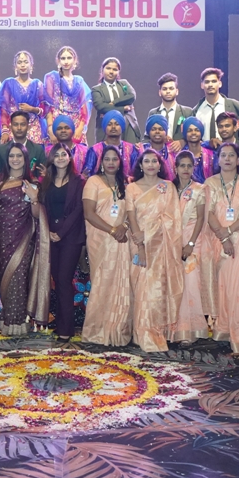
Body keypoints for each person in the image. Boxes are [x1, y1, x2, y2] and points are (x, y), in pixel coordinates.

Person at [0, 143, 50, 335]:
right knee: (4, 277)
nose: (15, 159)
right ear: (7, 159)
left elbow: (36, 214)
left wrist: (34, 198)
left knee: (19, 276)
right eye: (12, 156)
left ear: (25, 159)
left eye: (19, 156)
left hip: (22, 236)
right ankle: (7, 318)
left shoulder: (31, 183)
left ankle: (17, 322)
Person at [205, 142, 239, 352]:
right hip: (218, 240)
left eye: (231, 155)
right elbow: (208, 213)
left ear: (238, 160)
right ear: (217, 160)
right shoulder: (210, 183)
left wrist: (229, 231)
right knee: (223, 284)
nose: (227, 159)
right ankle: (225, 328)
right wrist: (223, 237)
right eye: (223, 155)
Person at [126, 150, 183, 353]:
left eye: (154, 161)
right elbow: (131, 216)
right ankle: (141, 332)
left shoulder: (167, 187)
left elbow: (172, 218)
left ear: (160, 165)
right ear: (140, 165)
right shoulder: (132, 187)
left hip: (161, 245)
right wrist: (140, 243)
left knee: (157, 289)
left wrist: (149, 234)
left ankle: (156, 332)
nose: (150, 164)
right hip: (138, 242)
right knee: (141, 287)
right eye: (146, 161)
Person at [82, 146, 134, 346]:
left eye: (115, 159)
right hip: (100, 239)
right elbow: (89, 213)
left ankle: (118, 330)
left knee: (122, 282)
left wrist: (124, 227)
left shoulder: (127, 184)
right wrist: (112, 230)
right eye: (107, 159)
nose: (111, 163)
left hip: (122, 239)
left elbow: (132, 211)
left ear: (120, 162)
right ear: (101, 162)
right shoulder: (93, 182)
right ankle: (97, 331)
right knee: (102, 282)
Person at [39, 143, 87, 341]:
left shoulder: (79, 181)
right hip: (50, 235)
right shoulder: (46, 181)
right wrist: (49, 231)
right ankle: (60, 325)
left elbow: (78, 210)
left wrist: (61, 232)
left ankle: (66, 329)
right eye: (56, 155)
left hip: (71, 237)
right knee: (57, 280)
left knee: (64, 280)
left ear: (69, 158)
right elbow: (43, 207)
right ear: (52, 159)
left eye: (63, 154)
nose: (60, 158)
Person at [170, 151, 210, 347]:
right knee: (173, 284)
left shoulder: (199, 189)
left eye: (189, 165)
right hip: (171, 242)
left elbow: (201, 218)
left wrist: (191, 244)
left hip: (192, 241)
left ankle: (188, 330)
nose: (186, 169)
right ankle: (172, 329)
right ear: (175, 168)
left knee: (190, 284)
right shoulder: (168, 189)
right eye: (182, 165)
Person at [0, 50, 48, 144]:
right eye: (19, 62)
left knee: (35, 152)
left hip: (34, 128)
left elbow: (44, 111)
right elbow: (4, 110)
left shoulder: (38, 84)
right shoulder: (8, 83)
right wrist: (5, 131)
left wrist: (31, 109)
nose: (23, 65)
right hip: (14, 127)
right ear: (15, 67)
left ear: (31, 66)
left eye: (26, 62)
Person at [44, 46, 94, 145]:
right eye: (63, 58)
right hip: (57, 122)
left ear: (75, 60)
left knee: (78, 152)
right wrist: (50, 128)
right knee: (58, 152)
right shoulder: (51, 77)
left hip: (76, 123)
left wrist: (80, 128)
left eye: (69, 58)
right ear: (58, 61)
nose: (66, 61)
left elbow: (84, 107)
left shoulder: (79, 80)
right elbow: (48, 105)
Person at [91, 57, 140, 144]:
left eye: (115, 69)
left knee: (130, 151)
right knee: (108, 152)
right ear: (102, 70)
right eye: (108, 68)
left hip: (128, 124)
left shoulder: (124, 84)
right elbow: (101, 107)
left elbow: (131, 96)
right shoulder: (96, 89)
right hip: (106, 127)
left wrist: (114, 102)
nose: (111, 71)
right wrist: (123, 108)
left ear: (118, 72)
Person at [192, 68, 239, 149]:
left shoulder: (235, 106)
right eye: (207, 82)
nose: (210, 85)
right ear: (202, 85)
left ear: (220, 84)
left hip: (230, 152)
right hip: (205, 153)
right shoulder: (196, 111)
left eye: (214, 81)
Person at [83, 110, 140, 177]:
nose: (113, 127)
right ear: (105, 127)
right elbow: (87, 174)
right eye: (109, 124)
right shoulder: (94, 150)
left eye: (117, 124)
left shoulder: (131, 150)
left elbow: (136, 174)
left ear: (122, 126)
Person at [0, 111, 48, 176]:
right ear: (10, 128)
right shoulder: (1, 149)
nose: (19, 128)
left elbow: (42, 175)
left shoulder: (37, 150)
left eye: (22, 124)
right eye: (15, 124)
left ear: (28, 127)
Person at [148, 72, 193, 151]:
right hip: (158, 153)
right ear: (160, 92)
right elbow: (147, 137)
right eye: (164, 89)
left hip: (180, 153)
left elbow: (194, 134)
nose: (168, 91)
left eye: (171, 88)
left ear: (177, 91)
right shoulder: (153, 113)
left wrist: (183, 141)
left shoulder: (187, 112)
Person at [180, 117, 215, 184]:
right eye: (189, 130)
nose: (193, 133)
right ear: (185, 134)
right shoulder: (180, 155)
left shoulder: (212, 155)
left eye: (197, 130)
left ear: (201, 133)